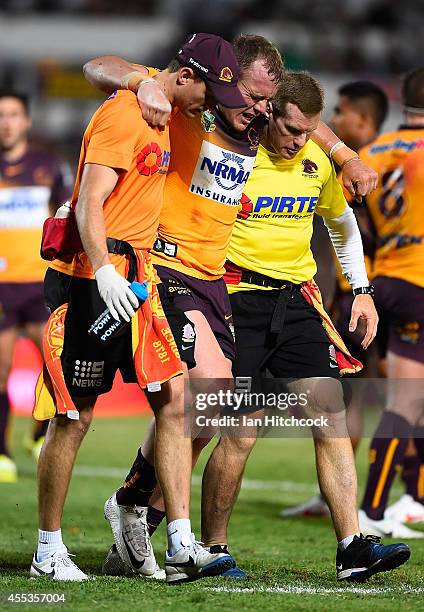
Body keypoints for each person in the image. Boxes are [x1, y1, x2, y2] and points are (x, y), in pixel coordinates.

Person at [83, 35, 379, 578]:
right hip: (172, 271)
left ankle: (140, 516)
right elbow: (98, 64)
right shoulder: (189, 107)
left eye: (269, 102)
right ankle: (164, 527)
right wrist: (140, 81)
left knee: (212, 413)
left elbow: (301, 118)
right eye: (257, 97)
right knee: (205, 410)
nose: (263, 110)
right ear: (226, 79)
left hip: (225, 285)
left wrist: (342, 152)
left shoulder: (262, 125)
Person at [30, 33, 245, 583]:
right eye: (209, 97)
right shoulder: (127, 114)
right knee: (73, 418)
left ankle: (179, 540)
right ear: (188, 75)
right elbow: (91, 202)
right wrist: (102, 270)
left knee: (173, 402)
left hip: (140, 280)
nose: (211, 112)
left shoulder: (173, 111)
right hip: (87, 281)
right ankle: (48, 549)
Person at [280, 80, 391, 519]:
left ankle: (382, 502)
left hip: (361, 295)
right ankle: (343, 498)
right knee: (353, 399)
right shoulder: (346, 162)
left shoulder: (377, 166)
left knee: (363, 397)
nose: (334, 125)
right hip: (374, 292)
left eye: (342, 113)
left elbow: (347, 233)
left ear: (362, 120)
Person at [356, 67, 424, 538]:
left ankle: (411, 499)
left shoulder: (371, 153)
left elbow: (354, 221)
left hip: (383, 279)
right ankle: (372, 510)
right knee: (407, 404)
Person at [0, 90, 73, 482]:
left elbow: (65, 218)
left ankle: (40, 429)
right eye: (1, 115)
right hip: (1, 287)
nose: (6, 122)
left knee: (54, 361)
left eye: (13, 114)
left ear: (26, 121)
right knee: (1, 368)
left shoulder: (49, 166)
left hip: (39, 283)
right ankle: (2, 453)